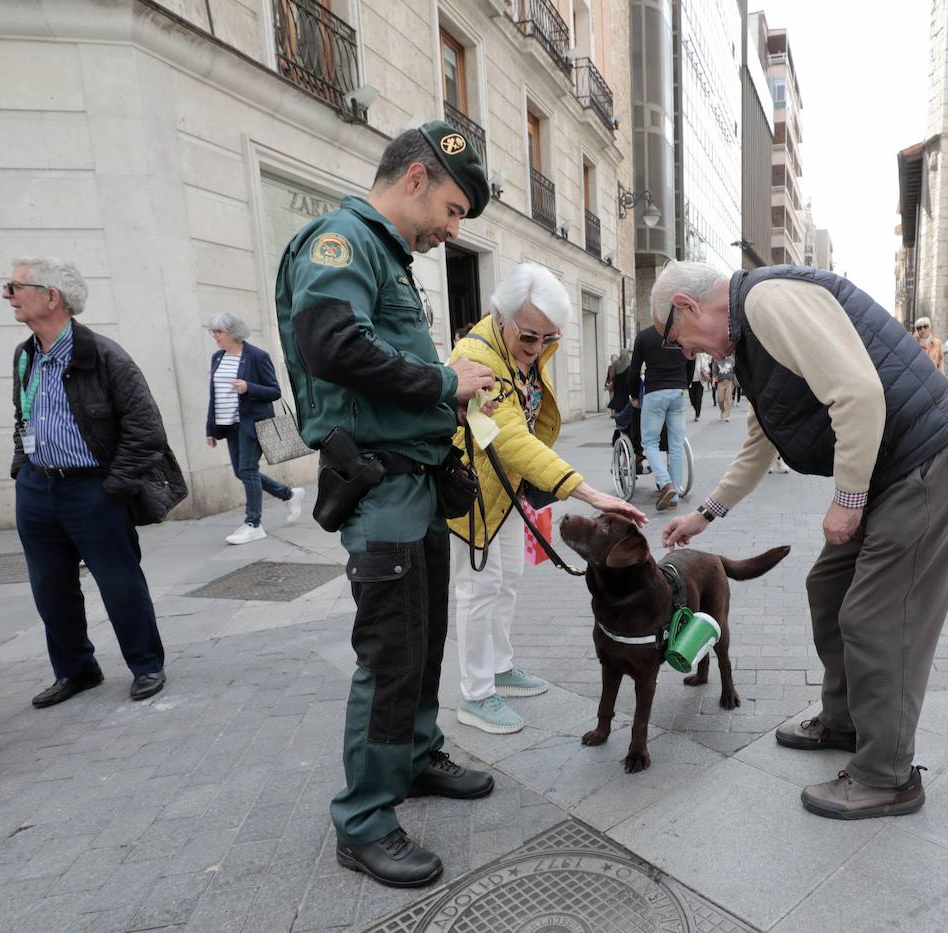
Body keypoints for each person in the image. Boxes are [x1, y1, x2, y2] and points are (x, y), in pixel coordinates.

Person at [654, 261, 948, 821]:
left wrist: (848, 499)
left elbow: (857, 393)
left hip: (928, 465)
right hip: (895, 471)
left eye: (674, 337)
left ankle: (888, 776)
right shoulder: (751, 340)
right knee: (828, 585)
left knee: (879, 617)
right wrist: (705, 515)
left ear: (686, 306)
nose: (684, 352)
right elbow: (762, 442)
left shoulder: (765, 302)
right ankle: (845, 720)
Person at [274, 122, 499, 888]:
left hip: (418, 484)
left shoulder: (391, 259)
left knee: (425, 633)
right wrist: (445, 384)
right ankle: (365, 819)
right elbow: (330, 344)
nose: (453, 227)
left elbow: (377, 354)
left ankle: (415, 753)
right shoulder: (342, 241)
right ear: (414, 177)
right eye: (452, 206)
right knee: (390, 652)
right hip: (382, 490)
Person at [447, 264, 644, 735]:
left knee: (507, 579)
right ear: (502, 316)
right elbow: (508, 437)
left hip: (509, 488)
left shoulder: (527, 345)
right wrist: (591, 492)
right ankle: (475, 694)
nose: (537, 350)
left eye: (548, 339)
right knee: (478, 588)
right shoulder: (477, 359)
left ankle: (500, 666)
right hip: (475, 489)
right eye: (529, 338)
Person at [5, 257, 169, 707]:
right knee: (50, 588)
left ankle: (146, 664)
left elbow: (146, 430)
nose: (8, 295)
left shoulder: (104, 355)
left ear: (51, 296)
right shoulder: (25, 355)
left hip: (92, 489)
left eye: (15, 286)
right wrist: (23, 470)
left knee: (119, 582)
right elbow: (23, 417)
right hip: (37, 489)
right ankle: (77, 671)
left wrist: (112, 488)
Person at [205, 312, 304, 544]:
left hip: (252, 423)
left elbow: (274, 391)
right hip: (228, 424)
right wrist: (211, 429)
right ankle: (289, 495)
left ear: (232, 333)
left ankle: (253, 524)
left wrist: (248, 387)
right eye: (213, 332)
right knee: (241, 471)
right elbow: (215, 395)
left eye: (218, 332)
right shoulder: (217, 358)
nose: (215, 336)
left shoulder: (257, 356)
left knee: (247, 470)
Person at [628, 320, 695, 511]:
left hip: (655, 392)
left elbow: (634, 369)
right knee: (675, 444)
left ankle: (666, 484)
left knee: (649, 443)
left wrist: (634, 395)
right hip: (679, 391)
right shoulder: (683, 331)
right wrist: (686, 383)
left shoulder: (645, 335)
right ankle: (672, 496)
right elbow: (691, 360)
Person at [713, 355, 737, 421]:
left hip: (730, 381)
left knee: (728, 398)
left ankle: (727, 415)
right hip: (720, 382)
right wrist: (713, 381)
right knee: (720, 399)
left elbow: (736, 371)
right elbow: (715, 372)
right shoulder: (717, 361)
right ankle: (722, 410)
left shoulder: (732, 361)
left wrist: (736, 381)